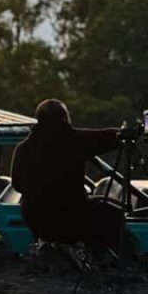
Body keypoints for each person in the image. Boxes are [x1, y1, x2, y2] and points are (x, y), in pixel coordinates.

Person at [11, 99, 123, 250]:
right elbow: (106, 137)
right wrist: (123, 133)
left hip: (36, 219)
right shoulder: (74, 140)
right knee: (112, 213)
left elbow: (17, 185)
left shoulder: (23, 148)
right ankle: (103, 258)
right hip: (70, 217)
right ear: (64, 118)